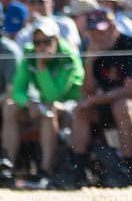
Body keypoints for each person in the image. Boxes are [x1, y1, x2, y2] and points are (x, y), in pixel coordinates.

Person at [67, 9, 132, 188]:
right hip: (104, 103)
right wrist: (88, 62)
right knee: (81, 110)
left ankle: (128, 168)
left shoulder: (129, 43)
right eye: (93, 32)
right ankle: (80, 170)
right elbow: (86, 93)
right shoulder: (88, 46)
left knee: (122, 106)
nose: (98, 36)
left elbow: (131, 90)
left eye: (102, 31)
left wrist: (94, 100)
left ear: (113, 29)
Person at [2, 18, 83, 183]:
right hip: (44, 102)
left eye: (46, 41)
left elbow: (54, 96)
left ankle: (45, 171)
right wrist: (28, 103)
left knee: (47, 111)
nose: (42, 47)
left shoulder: (69, 56)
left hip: (72, 106)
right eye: (37, 42)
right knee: (10, 108)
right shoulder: (29, 52)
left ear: (56, 40)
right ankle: (7, 167)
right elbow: (17, 89)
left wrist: (41, 66)